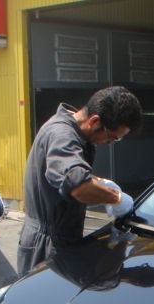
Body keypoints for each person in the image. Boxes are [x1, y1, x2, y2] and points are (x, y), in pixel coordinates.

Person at [17, 86, 143, 277]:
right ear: (94, 121)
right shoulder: (62, 135)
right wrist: (116, 198)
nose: (108, 143)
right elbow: (78, 186)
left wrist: (100, 182)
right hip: (47, 245)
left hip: (63, 237)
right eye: (110, 138)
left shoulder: (78, 134)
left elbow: (70, 175)